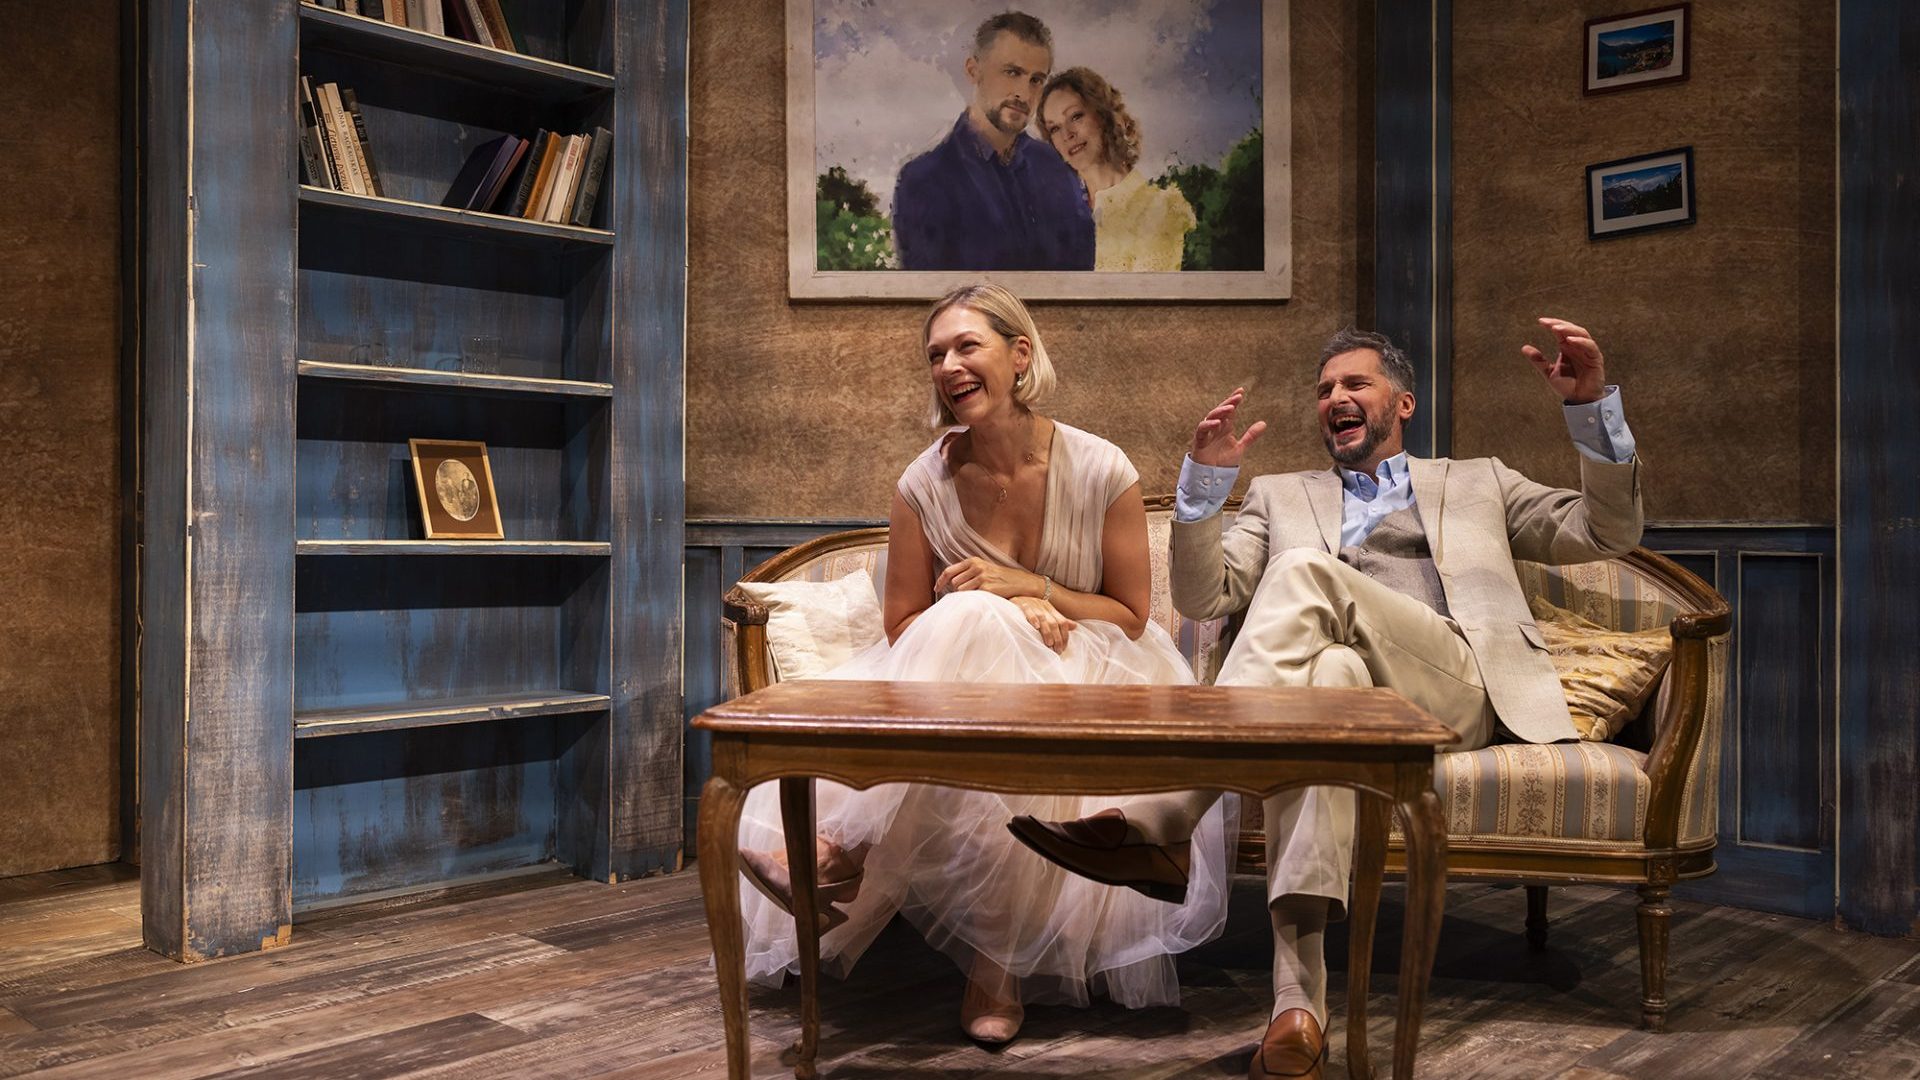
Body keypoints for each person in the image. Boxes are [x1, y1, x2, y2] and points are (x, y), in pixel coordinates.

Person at [1010, 319, 1642, 1079]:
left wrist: (1589, 408)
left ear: (1403, 403)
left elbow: (1607, 532)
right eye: (1323, 390)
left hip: (1451, 690)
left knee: (1302, 570)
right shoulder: (1278, 496)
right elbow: (1206, 596)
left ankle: (1175, 809)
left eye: (1354, 383)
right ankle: (1297, 1007)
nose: (1334, 397)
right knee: (1327, 685)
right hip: (1345, 702)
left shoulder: (1480, 481)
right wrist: (1205, 487)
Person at [734, 284, 1235, 1046]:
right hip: (966, 679)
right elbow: (905, 625)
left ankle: (842, 855)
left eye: (967, 346)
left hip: (1099, 669)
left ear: (1020, 354)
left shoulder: (1102, 467)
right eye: (936, 354)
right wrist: (1000, 611)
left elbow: (1132, 615)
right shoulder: (922, 483)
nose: (948, 366)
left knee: (982, 618)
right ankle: (990, 968)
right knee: (974, 619)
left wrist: (1030, 591)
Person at [890, 13, 1094, 271]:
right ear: (973, 71)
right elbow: (929, 290)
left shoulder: (1057, 170)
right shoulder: (924, 180)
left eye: (1036, 80)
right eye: (1012, 72)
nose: (1024, 94)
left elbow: (1082, 278)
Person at [1038, 67, 1196, 271]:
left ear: (1103, 116)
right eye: (1054, 128)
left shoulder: (1158, 209)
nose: (1067, 134)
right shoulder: (1057, 216)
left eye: (1076, 116)